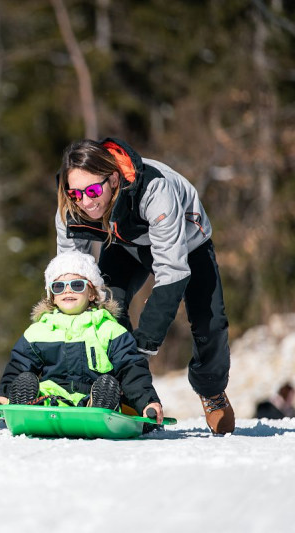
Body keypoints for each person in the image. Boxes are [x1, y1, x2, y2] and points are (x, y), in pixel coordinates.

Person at [54, 138, 234, 434]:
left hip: (187, 243)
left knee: (210, 323)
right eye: (76, 193)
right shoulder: (71, 203)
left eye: (93, 191)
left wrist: (145, 341)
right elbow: (71, 269)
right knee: (106, 308)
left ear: (112, 179)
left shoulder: (154, 189)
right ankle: (126, 393)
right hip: (125, 244)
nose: (85, 201)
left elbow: (172, 269)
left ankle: (211, 389)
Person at [0, 251, 163, 423]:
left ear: (92, 293)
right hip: (51, 400)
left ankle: (101, 408)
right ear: (52, 297)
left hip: (93, 396)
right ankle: (26, 406)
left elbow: (131, 369)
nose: (67, 291)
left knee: (108, 385)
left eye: (77, 285)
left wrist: (147, 402)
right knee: (26, 380)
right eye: (59, 287)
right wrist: (3, 395)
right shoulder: (38, 332)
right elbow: (18, 366)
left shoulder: (110, 330)